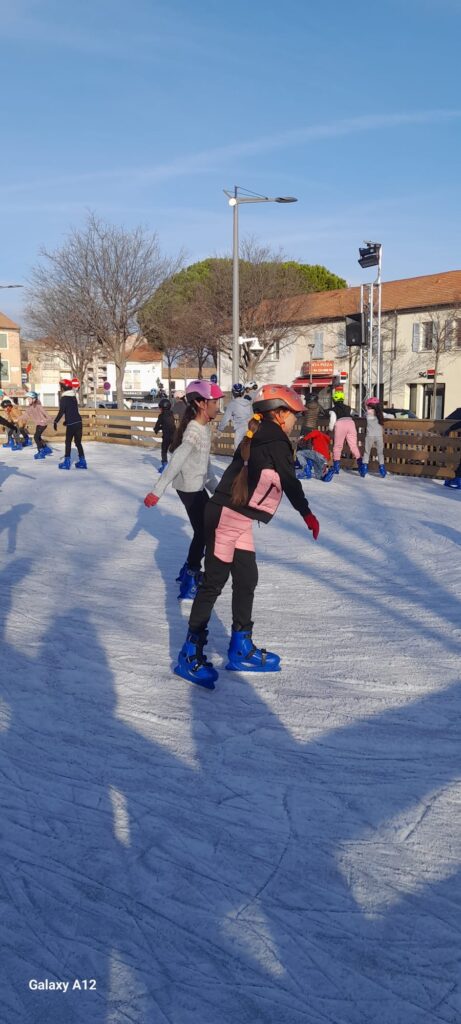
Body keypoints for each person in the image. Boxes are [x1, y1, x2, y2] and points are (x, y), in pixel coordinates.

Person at [173, 384, 320, 689]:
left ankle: (240, 646)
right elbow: (290, 482)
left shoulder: (260, 434)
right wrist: (307, 514)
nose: (296, 420)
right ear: (279, 413)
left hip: (236, 516)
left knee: (247, 577)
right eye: (293, 414)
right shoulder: (275, 439)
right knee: (213, 583)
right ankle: (190, 653)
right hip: (228, 516)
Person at [144, 379, 224, 599]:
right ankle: (190, 577)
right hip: (189, 487)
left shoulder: (204, 428)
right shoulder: (194, 431)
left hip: (197, 484)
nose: (218, 406)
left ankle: (188, 569)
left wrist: (218, 490)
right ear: (200, 403)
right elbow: (177, 459)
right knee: (205, 531)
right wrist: (157, 491)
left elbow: (204, 467)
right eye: (214, 401)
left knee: (207, 529)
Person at [53, 379, 87, 470]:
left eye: (61, 386)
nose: (61, 388)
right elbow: (72, 411)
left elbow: (62, 411)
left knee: (68, 442)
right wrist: (66, 421)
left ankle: (67, 462)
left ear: (64, 387)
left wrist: (55, 421)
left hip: (72, 424)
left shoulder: (64, 398)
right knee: (78, 443)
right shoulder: (73, 396)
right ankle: (83, 462)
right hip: (78, 422)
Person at [328, 388, 362, 474]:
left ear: (334, 399)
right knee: (353, 446)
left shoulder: (333, 410)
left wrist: (330, 429)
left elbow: (333, 419)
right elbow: (354, 413)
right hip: (351, 423)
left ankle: (336, 466)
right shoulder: (348, 407)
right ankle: (361, 465)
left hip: (340, 424)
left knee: (338, 446)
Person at [218, 383, 253, 450]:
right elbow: (252, 415)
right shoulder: (249, 403)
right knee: (249, 450)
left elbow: (226, 418)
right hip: (250, 429)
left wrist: (220, 429)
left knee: (238, 452)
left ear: (233, 393)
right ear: (243, 392)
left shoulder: (232, 404)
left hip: (240, 430)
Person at [360, 397, 386, 478]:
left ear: (369, 406)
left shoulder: (368, 413)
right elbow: (390, 416)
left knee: (367, 452)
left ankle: (364, 468)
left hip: (369, 435)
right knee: (380, 453)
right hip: (379, 436)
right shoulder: (381, 414)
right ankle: (382, 469)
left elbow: (365, 414)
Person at [24, 392, 52, 460]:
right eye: (27, 398)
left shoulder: (38, 406)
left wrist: (46, 420)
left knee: (36, 437)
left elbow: (46, 414)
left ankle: (41, 451)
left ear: (34, 399)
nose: (28, 400)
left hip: (42, 424)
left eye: (29, 398)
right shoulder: (32, 406)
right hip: (38, 424)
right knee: (38, 437)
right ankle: (46, 448)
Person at [154, 398, 175, 473]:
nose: (159, 409)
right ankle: (176, 466)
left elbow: (157, 425)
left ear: (163, 407)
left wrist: (157, 429)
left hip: (166, 437)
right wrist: (162, 427)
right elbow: (168, 424)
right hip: (174, 436)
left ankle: (164, 466)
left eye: (160, 408)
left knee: (164, 451)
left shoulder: (161, 416)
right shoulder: (171, 414)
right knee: (174, 451)